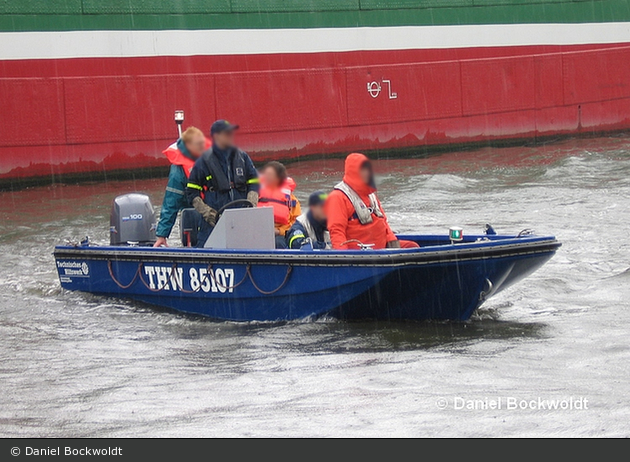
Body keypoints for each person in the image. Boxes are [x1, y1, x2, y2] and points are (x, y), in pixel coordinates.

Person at [185, 120, 260, 247]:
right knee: (208, 253)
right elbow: (191, 191)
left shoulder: (242, 157)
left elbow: (254, 180)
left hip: (241, 221)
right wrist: (206, 212)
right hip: (213, 224)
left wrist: (252, 199)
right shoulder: (203, 161)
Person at [326, 153, 420, 250]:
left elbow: (384, 223)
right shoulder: (338, 197)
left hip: (381, 249)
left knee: (412, 246)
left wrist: (394, 246)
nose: (368, 173)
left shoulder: (371, 195)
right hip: (360, 252)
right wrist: (344, 257)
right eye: (363, 169)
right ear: (353, 171)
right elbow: (336, 231)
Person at [154, 127, 211, 247]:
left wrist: (161, 235)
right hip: (207, 216)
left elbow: (171, 202)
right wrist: (162, 234)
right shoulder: (179, 170)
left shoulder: (210, 157)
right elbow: (172, 201)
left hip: (205, 217)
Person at [257, 161, 301, 249]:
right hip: (257, 232)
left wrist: (279, 231)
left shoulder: (292, 200)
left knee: (279, 244)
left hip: (279, 235)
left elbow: (295, 223)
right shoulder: (256, 194)